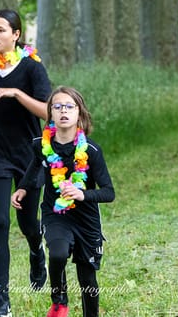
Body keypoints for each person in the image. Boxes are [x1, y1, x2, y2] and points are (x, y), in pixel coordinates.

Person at [0, 9, 52, 317]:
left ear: (16, 35)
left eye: (1, 30)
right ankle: (2, 300)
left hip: (29, 154)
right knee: (0, 221)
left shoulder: (32, 68)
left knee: (28, 223)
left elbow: (47, 111)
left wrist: (16, 93)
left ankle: (36, 250)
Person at [11, 87, 115, 317]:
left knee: (87, 279)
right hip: (55, 214)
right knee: (57, 254)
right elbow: (36, 164)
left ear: (80, 113)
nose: (63, 111)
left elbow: (109, 193)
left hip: (86, 219)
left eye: (69, 106)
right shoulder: (41, 145)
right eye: (57, 107)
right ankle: (59, 300)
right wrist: (23, 188)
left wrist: (82, 194)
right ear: (50, 114)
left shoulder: (91, 150)